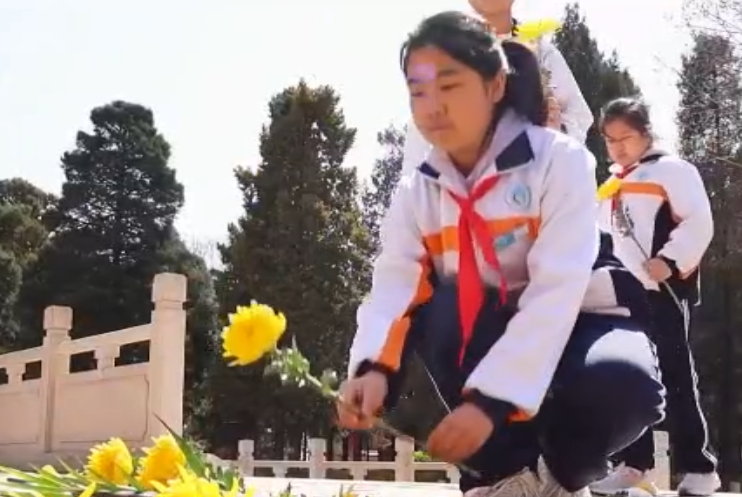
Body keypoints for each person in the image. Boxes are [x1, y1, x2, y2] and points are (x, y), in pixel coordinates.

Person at [337, 12, 665, 497]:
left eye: (452, 86)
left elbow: (555, 292)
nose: (434, 106)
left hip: (585, 315)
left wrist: (491, 403)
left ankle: (559, 478)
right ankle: (501, 475)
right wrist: (370, 369)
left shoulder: (561, 163)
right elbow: (394, 286)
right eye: (419, 91)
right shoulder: (419, 191)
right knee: (443, 311)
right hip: (484, 328)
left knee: (623, 382)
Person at [591, 98, 719, 497]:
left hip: (659, 292)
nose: (618, 147)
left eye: (625, 138)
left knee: (676, 378)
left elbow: (699, 220)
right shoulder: (612, 182)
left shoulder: (673, 170)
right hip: (618, 294)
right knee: (627, 377)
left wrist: (671, 259)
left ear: (646, 133)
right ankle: (633, 464)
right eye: (610, 140)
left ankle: (699, 468)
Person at [401, 0, 593, 176]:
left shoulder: (541, 50)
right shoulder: (447, 52)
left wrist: (556, 130)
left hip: (534, 176)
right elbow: (420, 143)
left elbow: (578, 115)